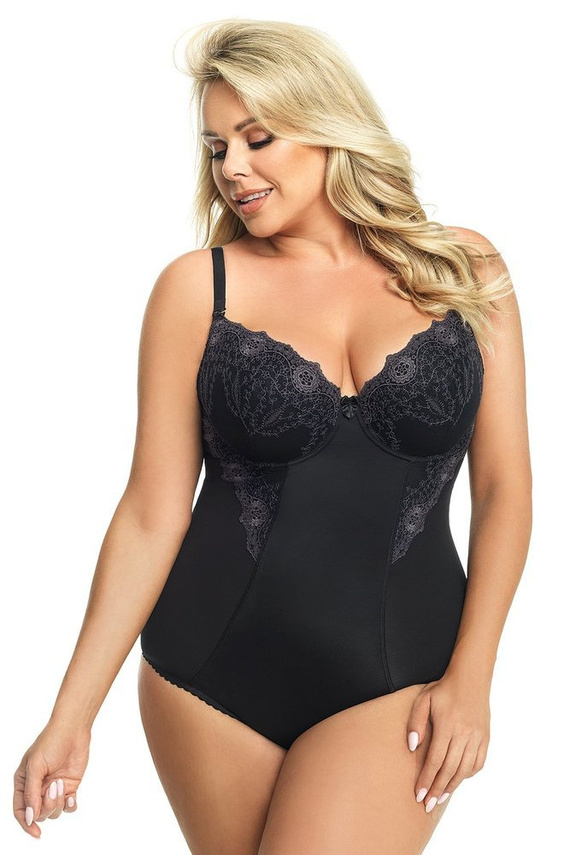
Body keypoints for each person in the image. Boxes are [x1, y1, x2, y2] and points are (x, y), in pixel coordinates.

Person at [13, 17, 532, 854]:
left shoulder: (464, 271)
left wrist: (474, 676)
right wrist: (70, 717)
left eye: (258, 139)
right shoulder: (198, 289)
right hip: (208, 676)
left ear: (330, 127)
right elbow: (151, 511)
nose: (232, 169)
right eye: (218, 147)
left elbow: (505, 487)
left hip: (401, 677)